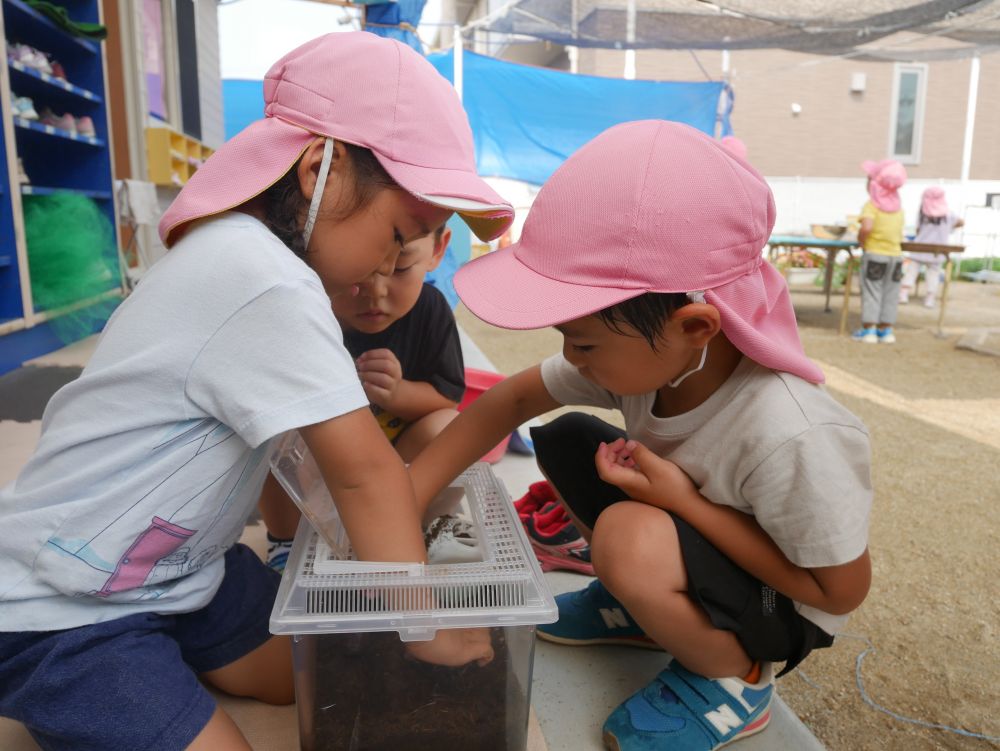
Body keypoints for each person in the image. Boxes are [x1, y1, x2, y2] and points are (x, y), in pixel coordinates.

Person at [0, 32, 512, 751]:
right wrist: (420, 623)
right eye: (397, 234)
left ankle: (159, 664)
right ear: (317, 172)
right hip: (64, 607)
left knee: (310, 669)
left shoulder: (247, 257)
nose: (387, 267)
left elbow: (301, 467)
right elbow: (363, 472)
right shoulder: (265, 279)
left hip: (179, 573)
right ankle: (70, 693)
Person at [410, 121, 872, 751]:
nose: (573, 356)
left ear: (696, 325)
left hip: (777, 607)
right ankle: (644, 608)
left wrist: (682, 501)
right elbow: (512, 400)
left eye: (586, 341)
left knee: (626, 540)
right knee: (567, 437)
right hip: (704, 548)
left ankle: (734, 678)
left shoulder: (789, 431)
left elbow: (838, 591)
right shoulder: (654, 362)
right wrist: (406, 496)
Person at [260, 224, 471, 570]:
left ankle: (428, 521)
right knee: (270, 433)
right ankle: (284, 539)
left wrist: (398, 394)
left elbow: (446, 398)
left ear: (437, 250)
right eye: (358, 272)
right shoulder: (311, 312)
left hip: (397, 454)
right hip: (323, 456)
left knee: (449, 427)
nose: (376, 292)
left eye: (401, 268)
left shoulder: (431, 311)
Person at [853, 159, 907, 344]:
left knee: (872, 291)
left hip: (875, 254)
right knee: (891, 293)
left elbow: (866, 227)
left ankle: (869, 330)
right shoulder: (898, 207)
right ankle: (886, 331)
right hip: (896, 256)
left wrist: (860, 240)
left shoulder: (872, 205)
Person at [900, 187, 964, 308]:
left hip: (920, 248)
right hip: (938, 250)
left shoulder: (923, 213)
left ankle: (904, 293)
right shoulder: (948, 214)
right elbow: (961, 222)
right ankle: (930, 297)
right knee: (933, 274)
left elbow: (918, 230)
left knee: (911, 271)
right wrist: (950, 227)